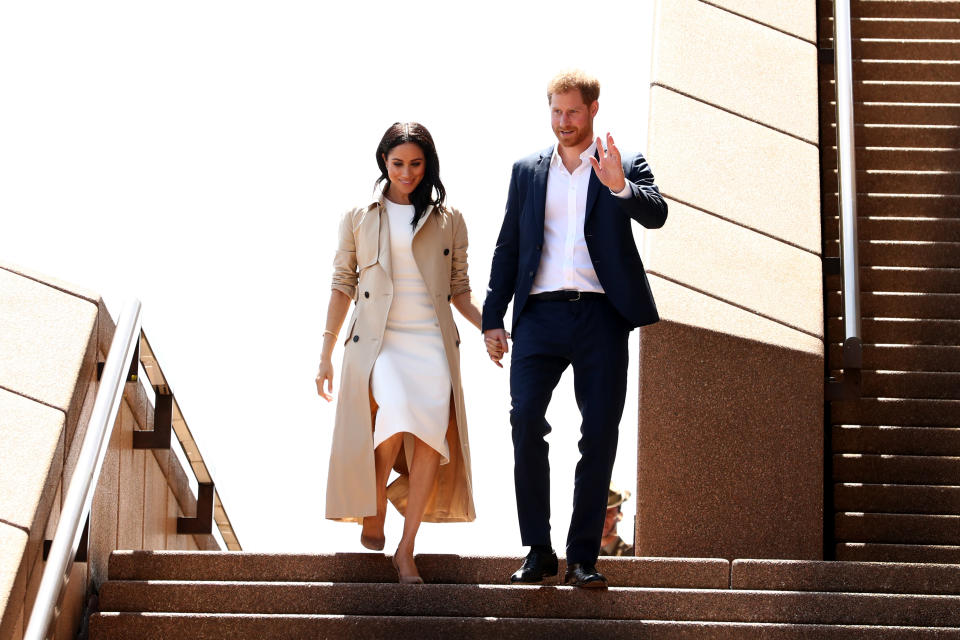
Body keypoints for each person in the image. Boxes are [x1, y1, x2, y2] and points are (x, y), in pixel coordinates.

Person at [482, 70, 667, 589]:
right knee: (524, 422)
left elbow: (657, 214)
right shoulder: (526, 171)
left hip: (601, 316)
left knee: (599, 433)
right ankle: (538, 550)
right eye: (556, 112)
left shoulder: (623, 164)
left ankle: (582, 557)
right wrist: (492, 318)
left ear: (593, 110)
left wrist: (619, 186)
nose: (564, 122)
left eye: (574, 111)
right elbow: (508, 247)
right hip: (539, 316)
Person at [317, 122, 482, 584]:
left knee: (430, 439)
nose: (407, 172)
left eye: (416, 163)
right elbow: (341, 285)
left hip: (432, 343)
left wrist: (493, 327)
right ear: (383, 163)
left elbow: (460, 291)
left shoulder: (449, 219)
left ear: (427, 164)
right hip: (379, 341)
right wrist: (324, 354)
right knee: (395, 410)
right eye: (397, 163)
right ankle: (372, 501)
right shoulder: (359, 217)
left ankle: (405, 551)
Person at [599, 485, 634, 557]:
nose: (601, 518)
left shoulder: (631, 555)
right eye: (597, 512)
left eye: (608, 513)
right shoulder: (583, 556)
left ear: (619, 516)